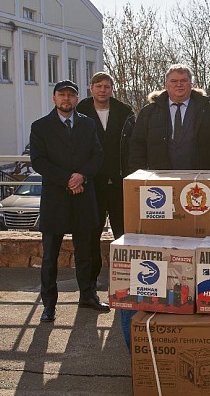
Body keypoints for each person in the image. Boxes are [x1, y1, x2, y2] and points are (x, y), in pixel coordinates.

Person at [30, 80, 106, 322]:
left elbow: (97, 155)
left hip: (83, 197)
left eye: (71, 95)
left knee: (86, 253)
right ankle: (49, 305)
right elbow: (38, 161)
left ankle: (88, 296)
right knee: (50, 257)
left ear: (77, 99)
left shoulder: (88, 124)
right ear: (54, 98)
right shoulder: (40, 126)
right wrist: (67, 180)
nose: (66, 99)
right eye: (61, 95)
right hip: (55, 200)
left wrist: (81, 176)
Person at [75, 72, 134, 289]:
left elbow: (133, 147)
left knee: (124, 234)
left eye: (106, 86)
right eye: (98, 86)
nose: (102, 90)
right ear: (91, 88)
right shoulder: (80, 111)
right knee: (91, 235)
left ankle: (127, 281)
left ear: (112, 89)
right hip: (91, 184)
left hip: (120, 183)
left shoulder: (124, 112)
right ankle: (90, 285)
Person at [129, 64, 210, 171]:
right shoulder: (148, 113)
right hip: (160, 178)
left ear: (191, 84)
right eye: (174, 81)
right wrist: (141, 175)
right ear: (166, 85)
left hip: (200, 178)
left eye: (184, 80)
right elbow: (137, 147)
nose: (179, 85)